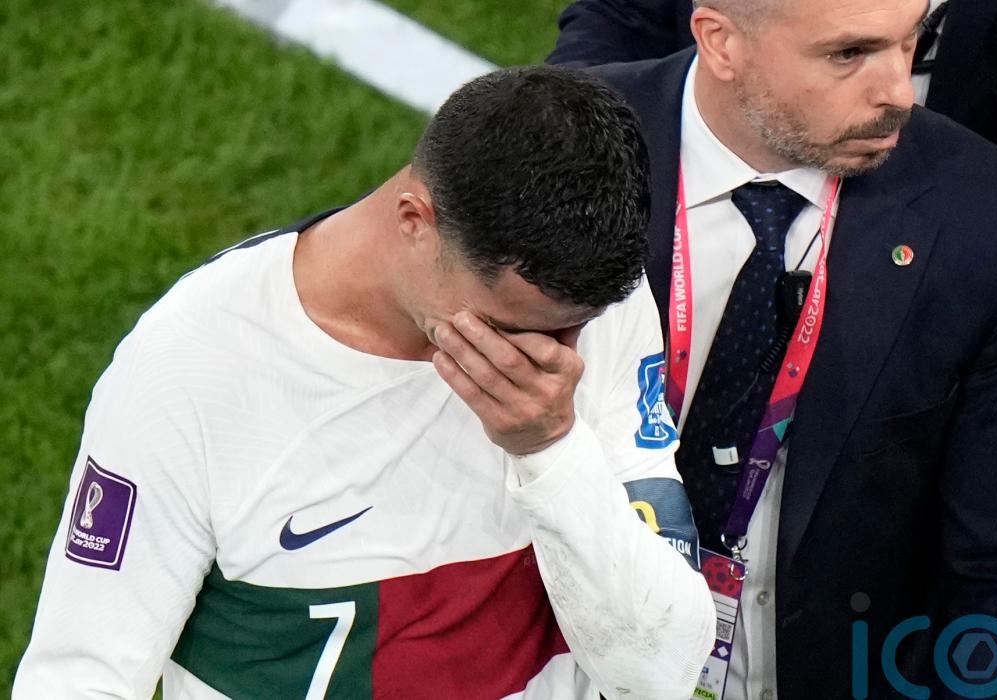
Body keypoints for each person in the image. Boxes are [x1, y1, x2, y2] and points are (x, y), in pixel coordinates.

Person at [549, 0, 997, 694]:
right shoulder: (563, 157)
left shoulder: (996, 222)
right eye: (849, 54)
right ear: (720, 41)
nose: (900, 93)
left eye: (910, 42)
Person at [13, 66, 715, 699]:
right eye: (509, 328)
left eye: (572, 328)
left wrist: (552, 450)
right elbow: (81, 677)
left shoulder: (587, 313)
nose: (554, 361)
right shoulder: (193, 365)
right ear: (415, 221)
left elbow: (661, 674)